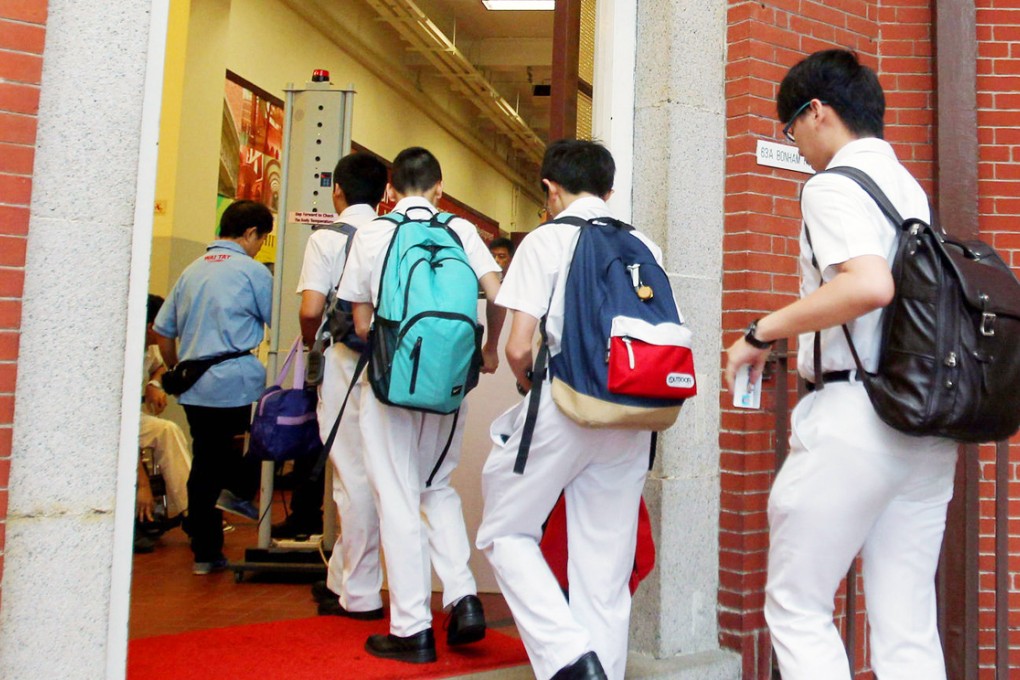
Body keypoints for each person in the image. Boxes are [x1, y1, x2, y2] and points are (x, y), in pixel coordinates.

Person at [724, 49, 958, 680]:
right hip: (925, 422)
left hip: (856, 413)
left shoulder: (832, 185)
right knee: (906, 622)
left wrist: (759, 332)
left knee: (796, 605)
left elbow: (869, 285)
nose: (796, 145)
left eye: (790, 128)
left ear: (816, 112)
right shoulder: (907, 189)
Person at [475, 139, 656, 680]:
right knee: (605, 567)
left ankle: (569, 658)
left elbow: (517, 346)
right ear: (609, 190)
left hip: (566, 401)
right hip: (634, 412)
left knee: (505, 530)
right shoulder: (642, 243)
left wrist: (527, 381)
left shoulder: (545, 240)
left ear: (550, 189)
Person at [337, 146, 505, 664]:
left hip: (390, 383)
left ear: (390, 190)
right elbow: (498, 292)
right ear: (439, 188)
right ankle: (463, 595)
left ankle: (412, 627)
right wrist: (490, 350)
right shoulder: (461, 230)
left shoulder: (374, 233)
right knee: (436, 486)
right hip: (449, 383)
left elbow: (360, 321)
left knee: (397, 494)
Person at [153, 200, 274, 575]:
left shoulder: (191, 271)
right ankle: (238, 493)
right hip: (238, 380)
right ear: (250, 233)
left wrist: (177, 366)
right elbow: (280, 320)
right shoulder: (253, 272)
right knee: (261, 440)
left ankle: (205, 553)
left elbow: (162, 330)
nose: (259, 248)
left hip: (196, 386)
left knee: (205, 461)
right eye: (261, 239)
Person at [292, 152, 389, 619]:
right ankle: (341, 578)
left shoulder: (326, 238)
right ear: (384, 193)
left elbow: (311, 309)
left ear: (337, 191)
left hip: (345, 362)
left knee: (351, 474)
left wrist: (312, 343)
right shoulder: (391, 234)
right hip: (389, 364)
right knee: (374, 471)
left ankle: (362, 592)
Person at [135, 294, 193, 553]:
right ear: (151, 327)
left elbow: (160, 367)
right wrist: (142, 485)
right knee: (164, 430)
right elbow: (121, 434)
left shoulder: (151, 348)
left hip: (136, 417)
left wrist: (153, 384)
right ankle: (190, 511)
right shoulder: (127, 348)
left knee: (168, 430)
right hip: (114, 422)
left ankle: (191, 511)